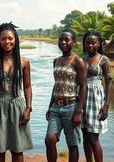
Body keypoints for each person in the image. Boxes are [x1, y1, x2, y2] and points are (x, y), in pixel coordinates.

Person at [0, 22, 33, 162]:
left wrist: (28, 108)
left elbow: (27, 87)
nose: (7, 41)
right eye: (3, 39)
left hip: (18, 106)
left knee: (17, 149)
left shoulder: (24, 62)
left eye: (10, 38)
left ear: (15, 39)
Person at [45, 29, 87, 162]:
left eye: (67, 40)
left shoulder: (78, 61)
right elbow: (56, 85)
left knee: (72, 144)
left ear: (73, 42)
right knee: (50, 139)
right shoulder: (56, 61)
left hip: (71, 106)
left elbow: (83, 86)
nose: (63, 42)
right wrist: (50, 106)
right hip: (56, 107)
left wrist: (78, 111)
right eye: (61, 39)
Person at [81, 31, 113, 162]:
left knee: (94, 138)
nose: (90, 45)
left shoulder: (104, 59)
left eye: (93, 42)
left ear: (99, 43)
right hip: (82, 97)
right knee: (85, 136)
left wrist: (106, 105)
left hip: (96, 99)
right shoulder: (81, 59)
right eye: (88, 42)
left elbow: (109, 82)